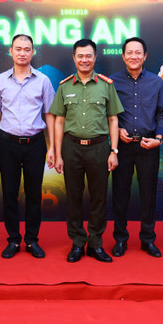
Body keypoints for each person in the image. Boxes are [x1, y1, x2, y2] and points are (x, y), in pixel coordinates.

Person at [50, 39, 123, 263]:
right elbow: (59, 121)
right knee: (73, 197)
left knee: (99, 198)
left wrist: (114, 150)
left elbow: (113, 119)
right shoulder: (65, 86)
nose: (84, 60)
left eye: (88, 56)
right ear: (74, 58)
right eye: (80, 56)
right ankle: (77, 243)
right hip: (71, 147)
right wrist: (58, 154)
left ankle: (95, 244)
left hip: (99, 147)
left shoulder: (106, 85)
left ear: (95, 58)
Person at [0, 34, 56, 259]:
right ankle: (14, 240)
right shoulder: (0, 81)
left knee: (34, 194)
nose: (22, 53)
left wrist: (52, 147)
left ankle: (32, 240)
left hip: (35, 144)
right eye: (18, 49)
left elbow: (50, 114)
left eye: (27, 49)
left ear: (33, 52)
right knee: (9, 193)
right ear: (10, 51)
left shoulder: (43, 81)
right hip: (8, 144)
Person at [110, 37, 163, 258]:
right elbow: (108, 114)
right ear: (123, 56)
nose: (134, 56)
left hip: (148, 145)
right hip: (122, 147)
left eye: (138, 52)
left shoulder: (156, 82)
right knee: (120, 195)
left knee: (148, 195)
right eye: (130, 52)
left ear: (145, 56)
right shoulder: (112, 82)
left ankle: (148, 239)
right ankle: (120, 239)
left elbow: (162, 113)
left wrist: (159, 138)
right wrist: (116, 131)